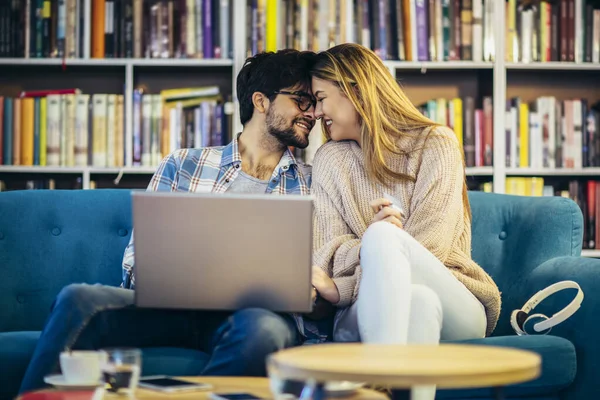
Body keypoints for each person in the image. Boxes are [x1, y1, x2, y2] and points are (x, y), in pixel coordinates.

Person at [19, 49, 331, 394]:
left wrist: (311, 296)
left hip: (251, 317)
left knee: (264, 331)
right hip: (170, 309)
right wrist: (169, 275)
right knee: (77, 298)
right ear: (260, 101)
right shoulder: (184, 164)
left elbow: (317, 285)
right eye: (302, 100)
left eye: (314, 103)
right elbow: (135, 263)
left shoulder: (312, 182)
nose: (313, 113)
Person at [308, 43, 502, 398]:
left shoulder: (436, 144)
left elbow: (432, 247)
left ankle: (378, 377)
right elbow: (326, 255)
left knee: (385, 240)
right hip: (362, 309)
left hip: (458, 303)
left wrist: (375, 248)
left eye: (321, 98)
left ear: (355, 89)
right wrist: (379, 246)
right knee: (418, 300)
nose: (317, 112)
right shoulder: (329, 160)